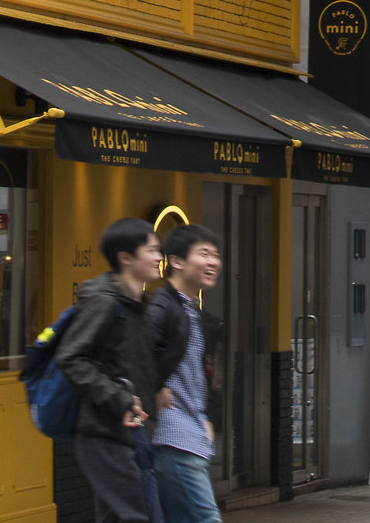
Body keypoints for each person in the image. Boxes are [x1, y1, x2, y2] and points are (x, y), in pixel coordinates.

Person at [58, 217, 167, 523]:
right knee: (140, 516)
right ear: (125, 257)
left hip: (134, 430)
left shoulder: (138, 304)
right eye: (152, 250)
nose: (159, 257)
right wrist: (120, 399)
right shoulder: (105, 303)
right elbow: (71, 358)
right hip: (105, 432)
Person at [151, 223, 221, 523]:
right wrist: (155, 386)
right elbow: (133, 355)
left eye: (215, 255)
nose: (213, 262)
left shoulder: (192, 311)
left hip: (191, 433)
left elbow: (192, 375)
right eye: (203, 254)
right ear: (177, 261)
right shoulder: (162, 307)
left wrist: (204, 418)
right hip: (174, 437)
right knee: (207, 518)